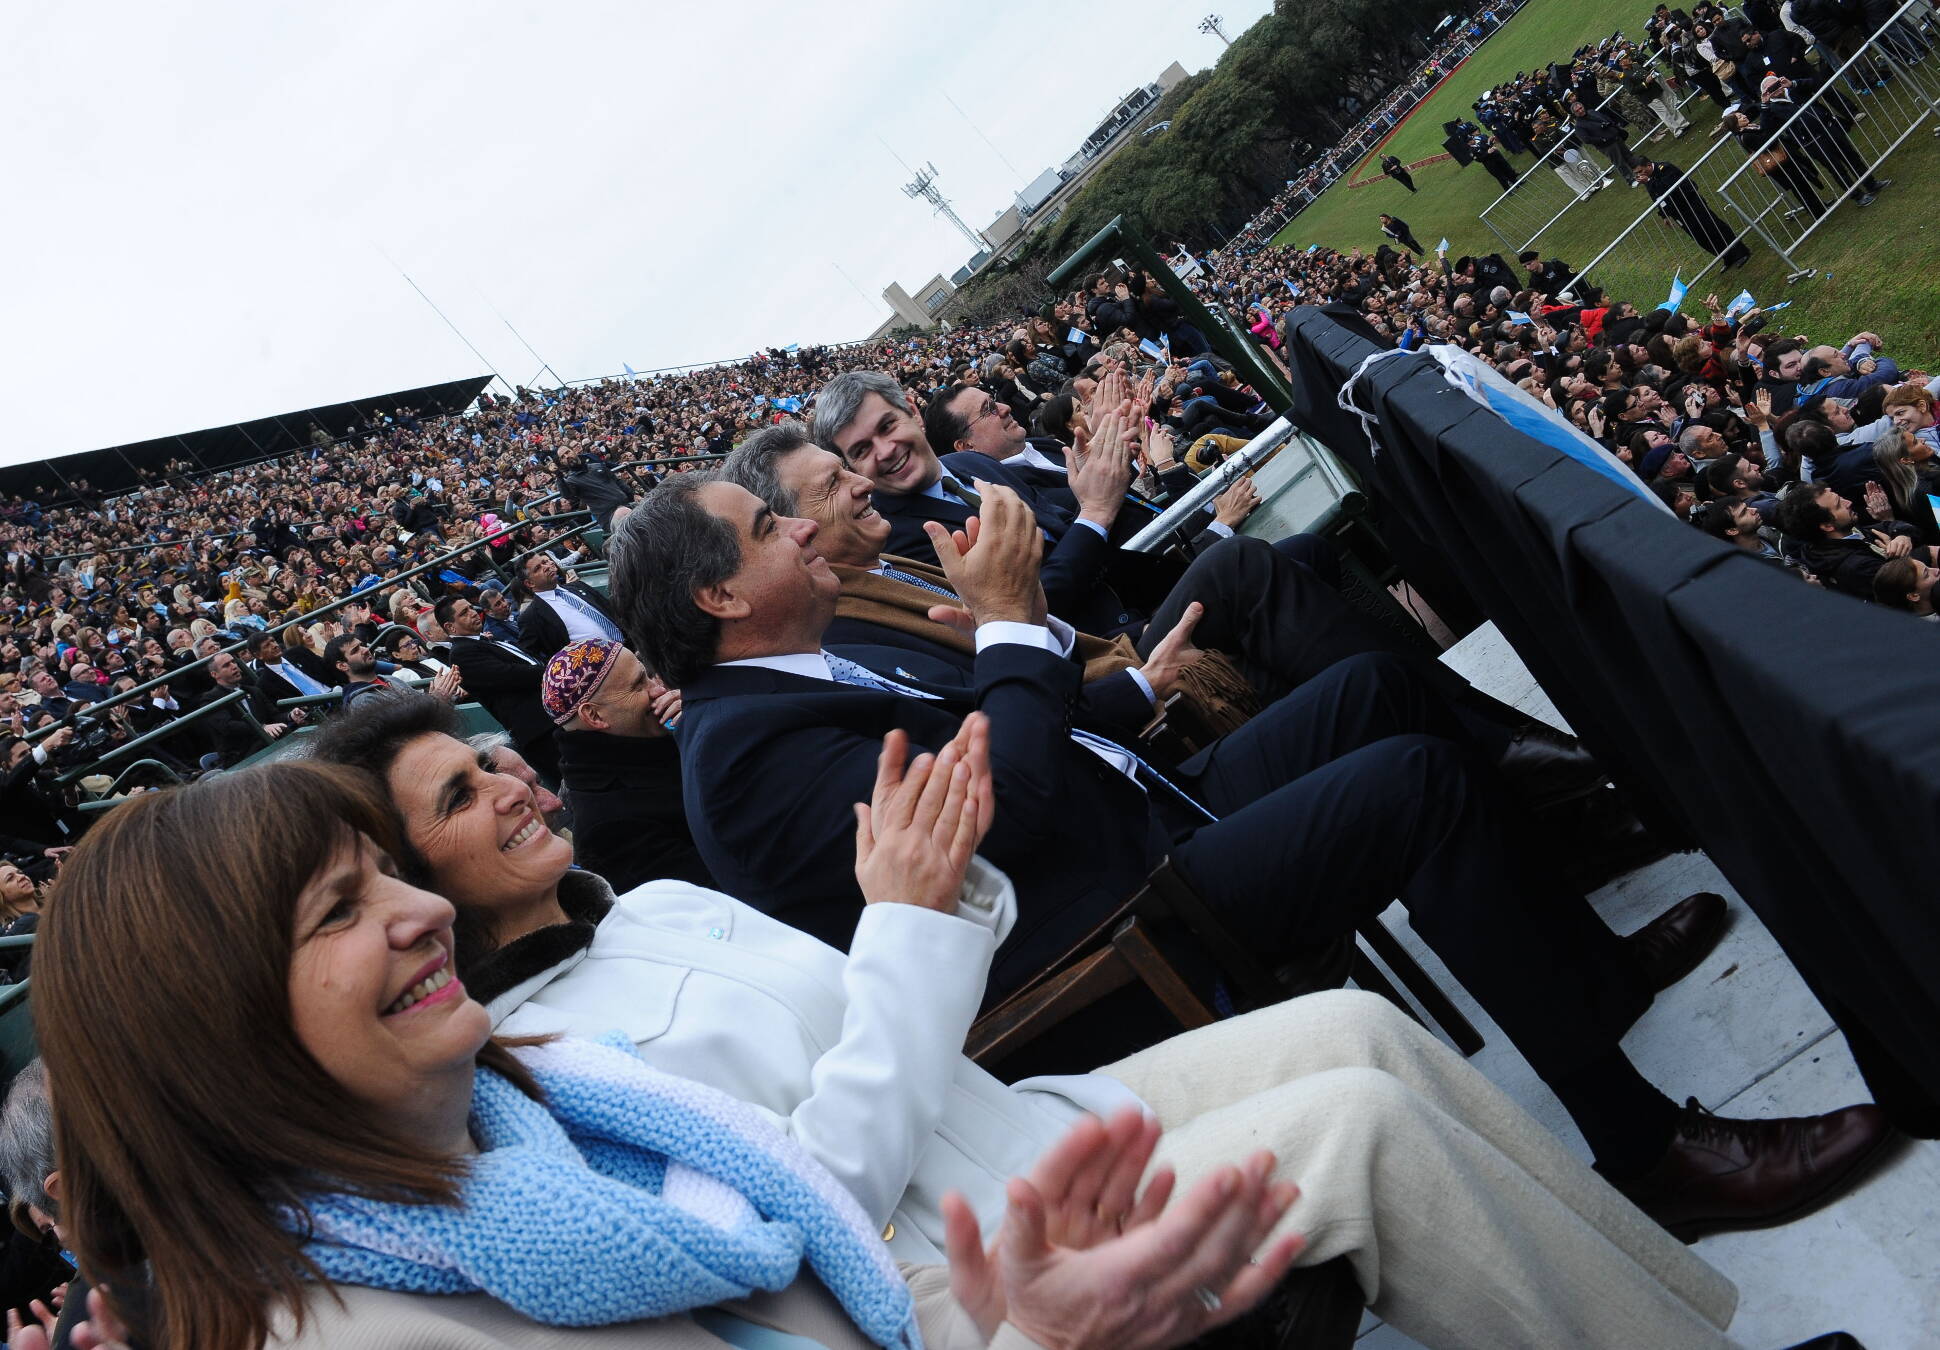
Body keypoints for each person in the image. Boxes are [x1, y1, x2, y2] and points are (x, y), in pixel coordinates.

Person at [306, 691, 1850, 1349]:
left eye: (497, 754)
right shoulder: (539, 1058)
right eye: (459, 793)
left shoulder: (646, 905)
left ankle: (1677, 1309)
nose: (514, 781)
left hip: (1029, 1124)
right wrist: (905, 928)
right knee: (1364, 1124)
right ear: (412, 871)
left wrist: (935, 879)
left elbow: (894, 1000)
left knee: (1357, 1033)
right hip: (981, 1231)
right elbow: (809, 1191)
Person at [605, 470, 1892, 1241]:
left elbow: (1025, 744)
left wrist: (1064, 670)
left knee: (1373, 693)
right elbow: (1013, 815)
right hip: (1110, 934)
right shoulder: (745, 757)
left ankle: (1588, 974)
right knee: (1414, 787)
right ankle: (1647, 1152)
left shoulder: (808, 666)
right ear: (717, 596)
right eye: (765, 527)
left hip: (1140, 813)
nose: (798, 530)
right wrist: (1009, 622)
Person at [34, 761, 1304, 1350]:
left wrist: (1016, 1307)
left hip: (1015, 1192)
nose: (414, 915)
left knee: (1350, 1047)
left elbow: (813, 1280)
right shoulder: (367, 1327)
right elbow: (836, 1177)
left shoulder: (535, 1106)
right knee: (1356, 1113)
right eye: (339, 911)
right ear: (230, 1040)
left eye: (380, 877)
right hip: (1010, 1179)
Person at [538, 639, 715, 891]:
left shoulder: (661, 737)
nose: (657, 690)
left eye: (648, 676)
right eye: (638, 684)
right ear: (595, 716)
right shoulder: (608, 830)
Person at [436, 593, 560, 780]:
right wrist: (555, 670)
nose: (473, 612)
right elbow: (511, 675)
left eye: (471, 607)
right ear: (450, 626)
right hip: (540, 730)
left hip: (551, 717)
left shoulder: (481, 641)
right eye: (464, 612)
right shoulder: (462, 653)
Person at [1634, 159, 1752, 270]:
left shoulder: (1665, 168)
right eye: (1636, 173)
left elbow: (1669, 188)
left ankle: (1740, 252)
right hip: (1678, 213)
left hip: (1690, 203)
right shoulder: (1647, 179)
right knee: (1700, 237)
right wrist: (1664, 215)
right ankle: (1727, 257)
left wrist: (1649, 181)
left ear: (1649, 165)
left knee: (1713, 227)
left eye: (1640, 171)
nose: (1639, 175)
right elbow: (1655, 196)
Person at [515, 552, 625, 664]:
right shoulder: (531, 617)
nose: (547, 567)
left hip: (628, 645)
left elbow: (611, 609)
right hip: (601, 666)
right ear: (529, 583)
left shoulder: (578, 586)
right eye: (538, 568)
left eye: (544, 562)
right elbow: (530, 656)